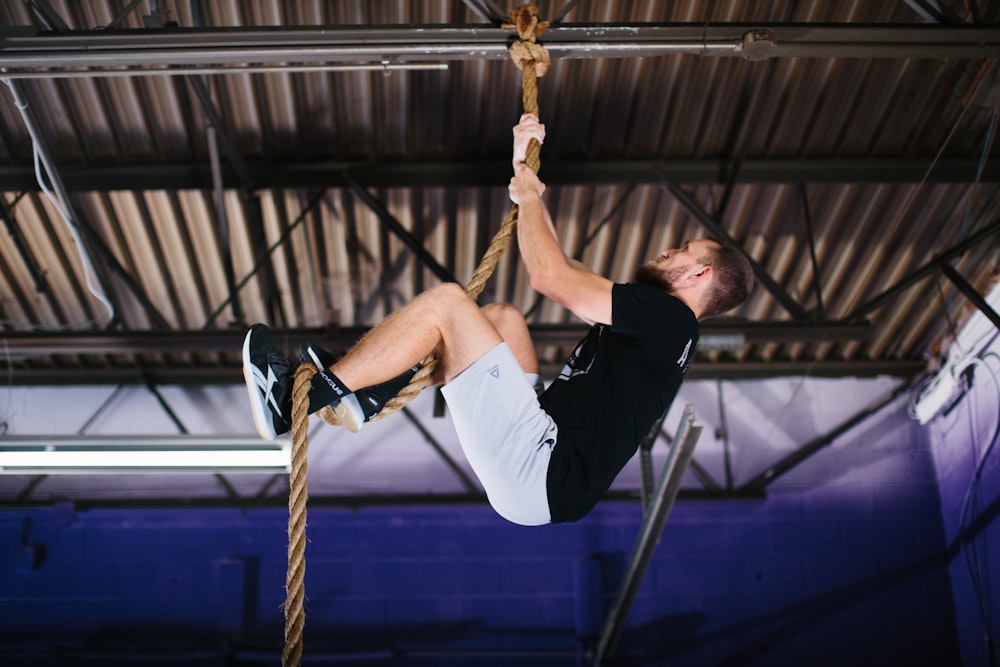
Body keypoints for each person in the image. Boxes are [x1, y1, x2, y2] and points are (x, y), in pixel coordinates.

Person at [243, 113, 755, 526]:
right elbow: (571, 268)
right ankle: (371, 392)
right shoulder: (666, 331)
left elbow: (551, 277)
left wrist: (529, 198)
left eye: (683, 251)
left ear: (701, 273)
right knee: (503, 319)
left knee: (447, 303)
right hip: (545, 453)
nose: (669, 251)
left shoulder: (672, 319)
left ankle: (294, 401)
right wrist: (525, 173)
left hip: (541, 468)